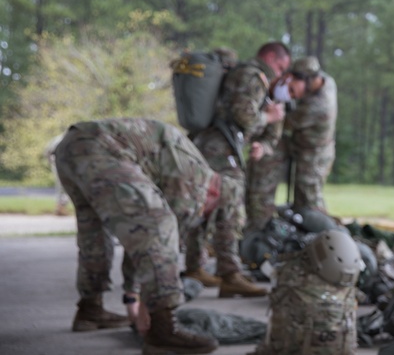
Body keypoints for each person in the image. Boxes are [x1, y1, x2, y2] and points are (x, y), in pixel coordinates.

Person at [55, 118, 244, 354]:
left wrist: (131, 296)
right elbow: (156, 236)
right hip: (102, 149)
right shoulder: (197, 179)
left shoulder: (185, 163)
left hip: (71, 147)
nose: (201, 216)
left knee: (94, 232)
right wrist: (143, 301)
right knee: (161, 224)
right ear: (216, 194)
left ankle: (90, 309)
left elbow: (136, 235)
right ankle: (162, 328)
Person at [182, 41, 290, 296]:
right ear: (271, 56)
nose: (280, 72)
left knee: (204, 206)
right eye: (280, 65)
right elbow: (245, 116)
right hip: (222, 151)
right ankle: (230, 274)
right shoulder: (251, 74)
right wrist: (270, 117)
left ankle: (195, 266)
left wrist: (261, 143)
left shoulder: (238, 73)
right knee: (230, 210)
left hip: (205, 146)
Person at [245, 55, 338, 231]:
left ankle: (326, 237)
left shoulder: (319, 105)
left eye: (294, 81)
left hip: (314, 156)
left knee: (308, 204)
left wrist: (270, 110)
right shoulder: (324, 80)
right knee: (298, 204)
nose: (289, 84)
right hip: (302, 145)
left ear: (309, 80)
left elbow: (284, 121)